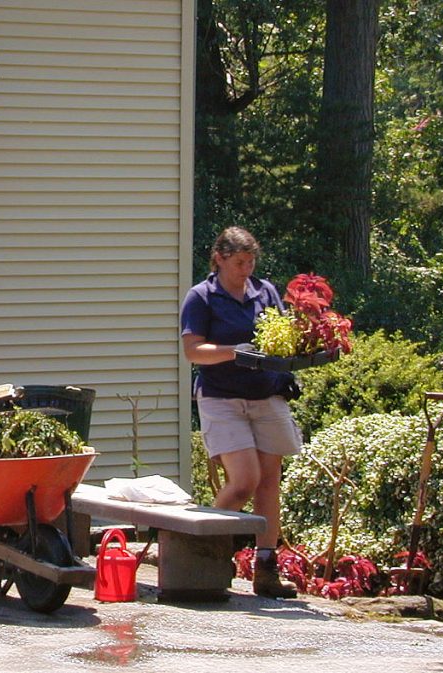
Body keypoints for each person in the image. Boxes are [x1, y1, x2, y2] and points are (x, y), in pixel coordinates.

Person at [179, 226, 303, 599]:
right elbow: (193, 352)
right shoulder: (201, 297)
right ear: (219, 258)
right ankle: (202, 551)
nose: (246, 269)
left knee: (268, 481)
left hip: (266, 396)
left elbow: (282, 338)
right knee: (244, 480)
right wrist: (235, 351)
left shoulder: (264, 291)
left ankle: (266, 569)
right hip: (222, 398)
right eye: (239, 263)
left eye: (250, 262)